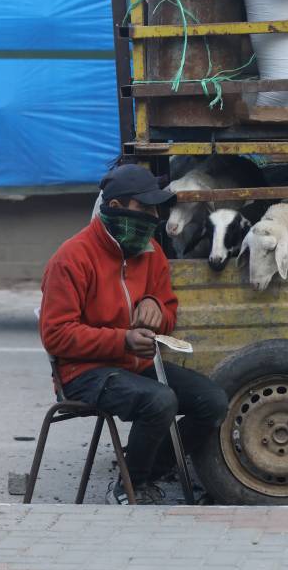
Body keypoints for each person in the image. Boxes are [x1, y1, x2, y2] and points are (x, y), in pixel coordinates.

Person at [39, 163, 228, 504]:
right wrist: (121, 339)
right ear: (115, 208)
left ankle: (146, 471)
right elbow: (56, 335)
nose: (154, 216)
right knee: (159, 400)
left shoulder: (151, 253)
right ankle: (130, 488)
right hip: (83, 373)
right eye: (145, 208)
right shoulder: (71, 258)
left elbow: (168, 311)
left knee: (212, 402)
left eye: (157, 208)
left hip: (135, 365)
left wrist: (159, 308)